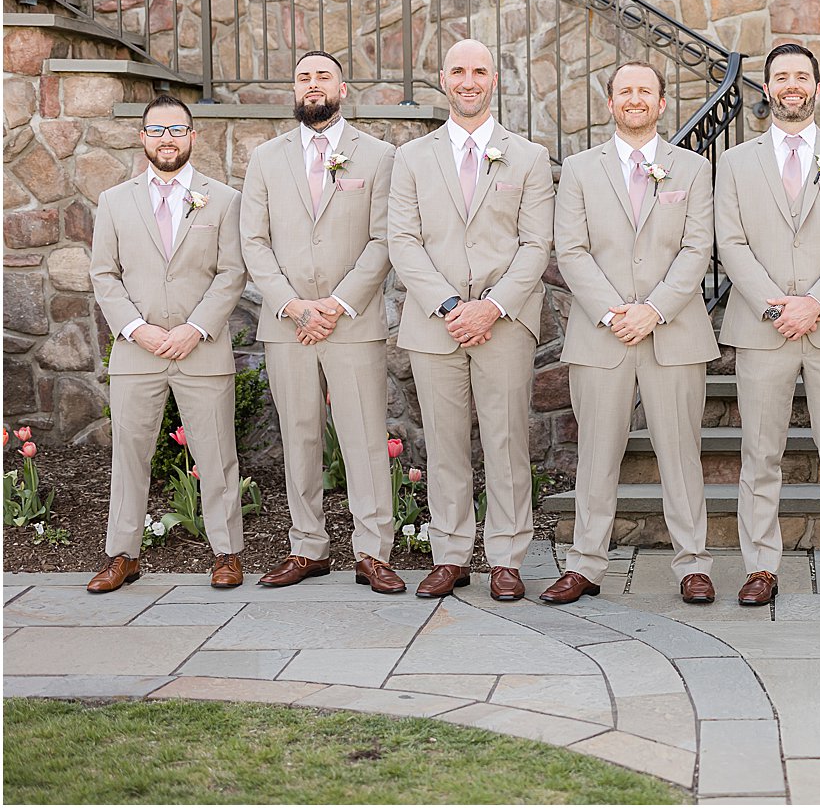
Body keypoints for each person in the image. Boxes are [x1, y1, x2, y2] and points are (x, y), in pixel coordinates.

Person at [540, 61, 719, 606]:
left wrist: (655, 310)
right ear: (611, 102)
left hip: (674, 332)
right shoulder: (578, 169)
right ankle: (586, 563)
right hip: (603, 333)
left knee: (681, 451)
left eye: (646, 90)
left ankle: (693, 563)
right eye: (625, 91)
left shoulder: (691, 169)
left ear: (662, 104)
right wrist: (614, 312)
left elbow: (697, 248)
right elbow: (569, 249)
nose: (635, 98)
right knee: (596, 450)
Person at [388, 39, 554, 601]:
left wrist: (490, 306)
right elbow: (403, 241)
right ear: (442, 79)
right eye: (457, 70)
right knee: (444, 441)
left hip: (503, 322)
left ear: (493, 81)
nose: (468, 80)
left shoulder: (528, 157)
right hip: (435, 322)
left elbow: (536, 244)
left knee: (507, 441)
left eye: (479, 70)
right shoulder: (411, 157)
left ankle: (506, 558)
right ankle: (452, 553)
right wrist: (450, 306)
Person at [715, 43, 820, 606]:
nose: (791, 85)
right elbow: (730, 241)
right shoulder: (736, 162)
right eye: (781, 77)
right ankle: (761, 565)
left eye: (801, 77)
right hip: (762, 328)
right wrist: (774, 305)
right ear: (766, 88)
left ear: (816, 85)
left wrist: (817, 302)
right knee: (760, 452)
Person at [241, 49, 403, 593]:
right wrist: (293, 305)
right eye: (303, 77)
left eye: (323, 77)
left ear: (342, 87)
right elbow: (254, 242)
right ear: (294, 88)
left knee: (362, 436)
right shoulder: (266, 158)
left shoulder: (378, 156)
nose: (313, 85)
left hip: (352, 322)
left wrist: (337, 304)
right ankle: (307, 546)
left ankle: (373, 551)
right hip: (287, 323)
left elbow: (384, 239)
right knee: (299, 436)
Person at [87, 94, 247, 592]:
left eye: (176, 130)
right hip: (138, 352)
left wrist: (194, 328)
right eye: (156, 131)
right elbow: (103, 275)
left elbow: (231, 273)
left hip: (200, 349)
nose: (167, 140)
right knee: (129, 455)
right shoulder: (114, 201)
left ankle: (226, 553)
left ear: (193, 136)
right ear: (142, 138)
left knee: (217, 455)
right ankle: (123, 555)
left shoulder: (224, 200)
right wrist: (138, 329)